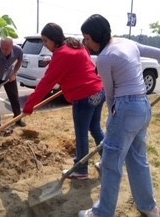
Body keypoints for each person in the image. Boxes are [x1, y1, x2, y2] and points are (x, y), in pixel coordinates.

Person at [78, 14, 160, 217]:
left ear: (96, 36)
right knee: (138, 158)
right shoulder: (128, 43)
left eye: (87, 38)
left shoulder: (105, 57)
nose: (85, 43)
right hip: (143, 106)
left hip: (125, 108)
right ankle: (148, 206)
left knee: (111, 163)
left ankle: (103, 213)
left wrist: (113, 118)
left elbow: (111, 94)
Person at [23, 23, 105, 179]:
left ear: (54, 39)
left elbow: (46, 83)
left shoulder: (61, 54)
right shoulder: (75, 45)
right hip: (98, 91)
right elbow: (83, 67)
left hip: (84, 96)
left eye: (46, 41)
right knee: (95, 128)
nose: (45, 45)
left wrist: (29, 106)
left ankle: (81, 170)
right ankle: (109, 162)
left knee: (81, 134)